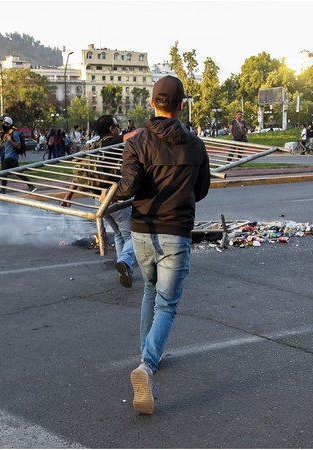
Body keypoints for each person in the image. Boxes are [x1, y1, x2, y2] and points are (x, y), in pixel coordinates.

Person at [113, 75, 210, 415]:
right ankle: (147, 365)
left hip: (141, 232)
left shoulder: (136, 142)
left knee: (149, 292)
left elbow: (127, 189)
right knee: (167, 305)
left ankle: (146, 351)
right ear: (181, 106)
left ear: (152, 103)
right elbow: (201, 191)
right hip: (176, 232)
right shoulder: (196, 145)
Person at [61, 115, 136, 288]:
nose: (119, 128)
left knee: (118, 234)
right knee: (132, 235)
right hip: (115, 198)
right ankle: (125, 262)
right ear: (111, 129)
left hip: (99, 200)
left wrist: (68, 197)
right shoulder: (114, 142)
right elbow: (134, 135)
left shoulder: (90, 147)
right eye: (117, 126)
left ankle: (126, 268)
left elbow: (77, 174)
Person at [0, 116, 37, 194]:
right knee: (18, 173)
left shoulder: (14, 133)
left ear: (9, 124)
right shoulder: (7, 133)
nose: (3, 124)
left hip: (11, 157)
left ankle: (3, 190)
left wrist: (10, 140)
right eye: (3, 123)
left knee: (3, 173)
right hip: (10, 157)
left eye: (4, 123)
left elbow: (18, 146)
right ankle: (31, 187)